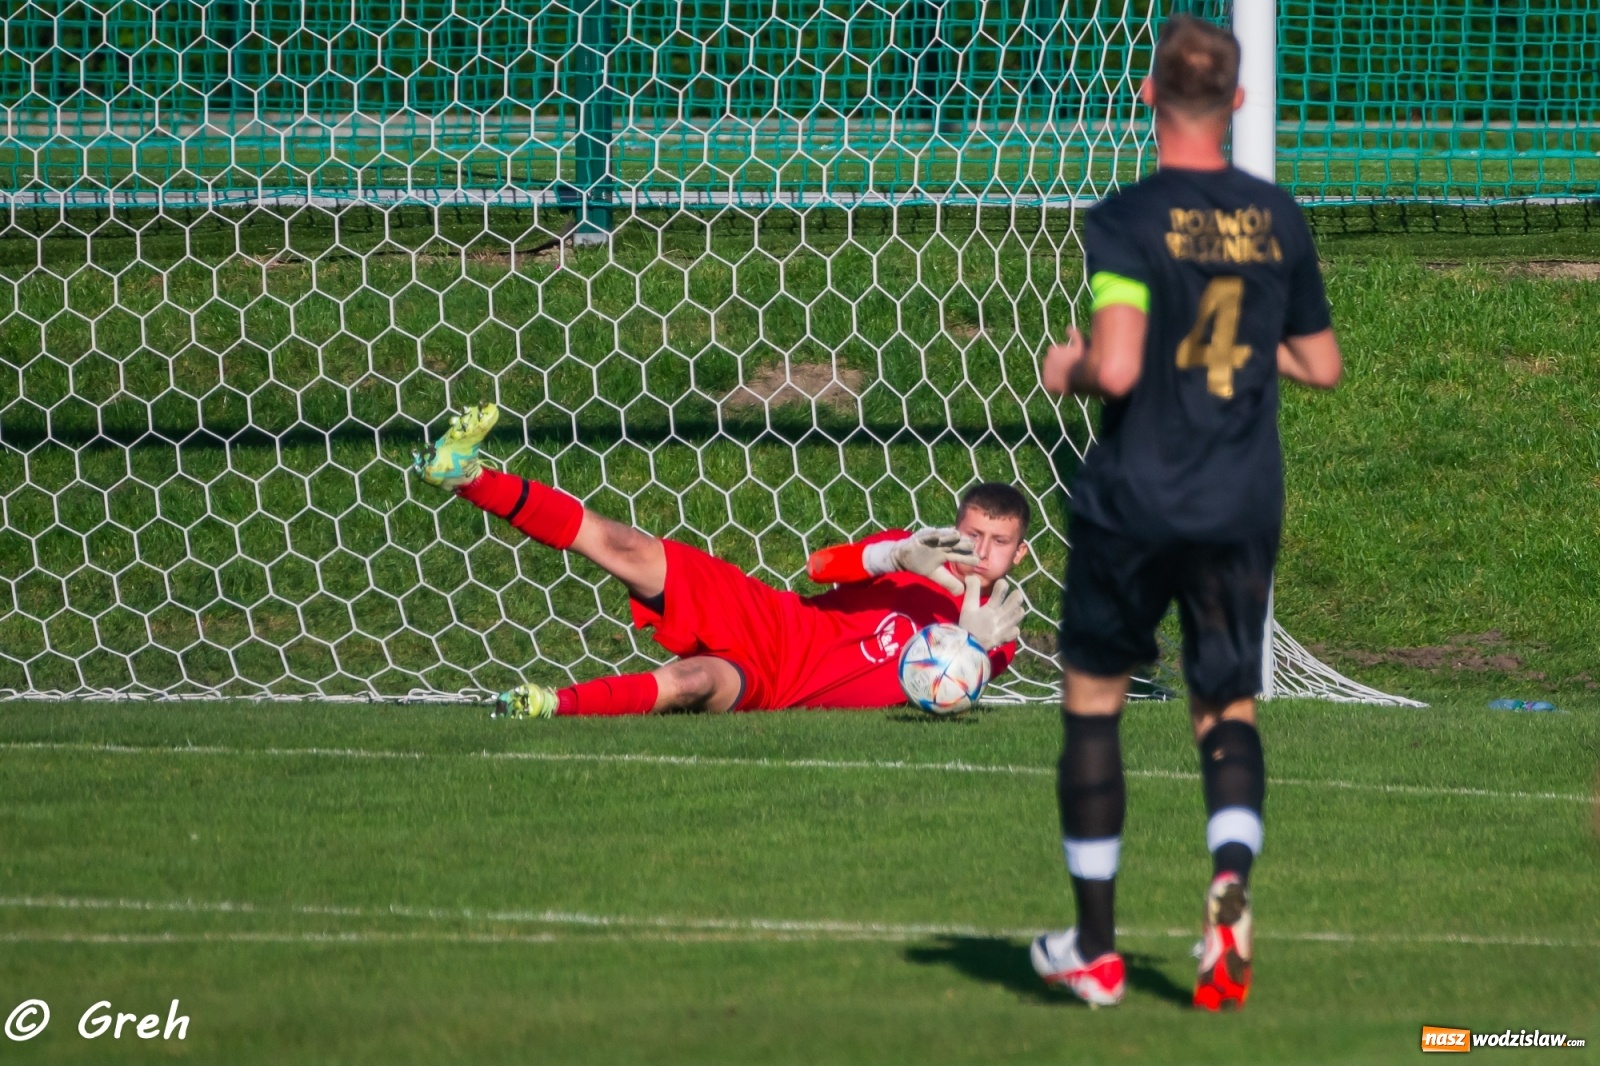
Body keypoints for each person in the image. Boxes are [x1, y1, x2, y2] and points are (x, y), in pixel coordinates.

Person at [1030, 15, 1343, 1010]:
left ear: (1147, 96)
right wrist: (1248, 339)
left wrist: (1069, 366)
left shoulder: (1127, 217)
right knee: (1226, 708)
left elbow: (1119, 363)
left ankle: (1094, 949)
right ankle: (1228, 882)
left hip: (1136, 496)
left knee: (1094, 703)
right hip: (1237, 500)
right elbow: (1321, 364)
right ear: (1238, 101)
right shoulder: (1275, 217)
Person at [411, 403, 1030, 717]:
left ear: (1019, 551)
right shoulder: (914, 552)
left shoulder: (998, 631)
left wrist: (970, 642)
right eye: (973, 532)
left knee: (691, 684)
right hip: (773, 618)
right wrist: (893, 553)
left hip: (780, 687)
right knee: (626, 546)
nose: (981, 550)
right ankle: (466, 476)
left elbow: (942, 696)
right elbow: (818, 568)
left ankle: (548, 704)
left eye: (998, 542)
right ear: (957, 525)